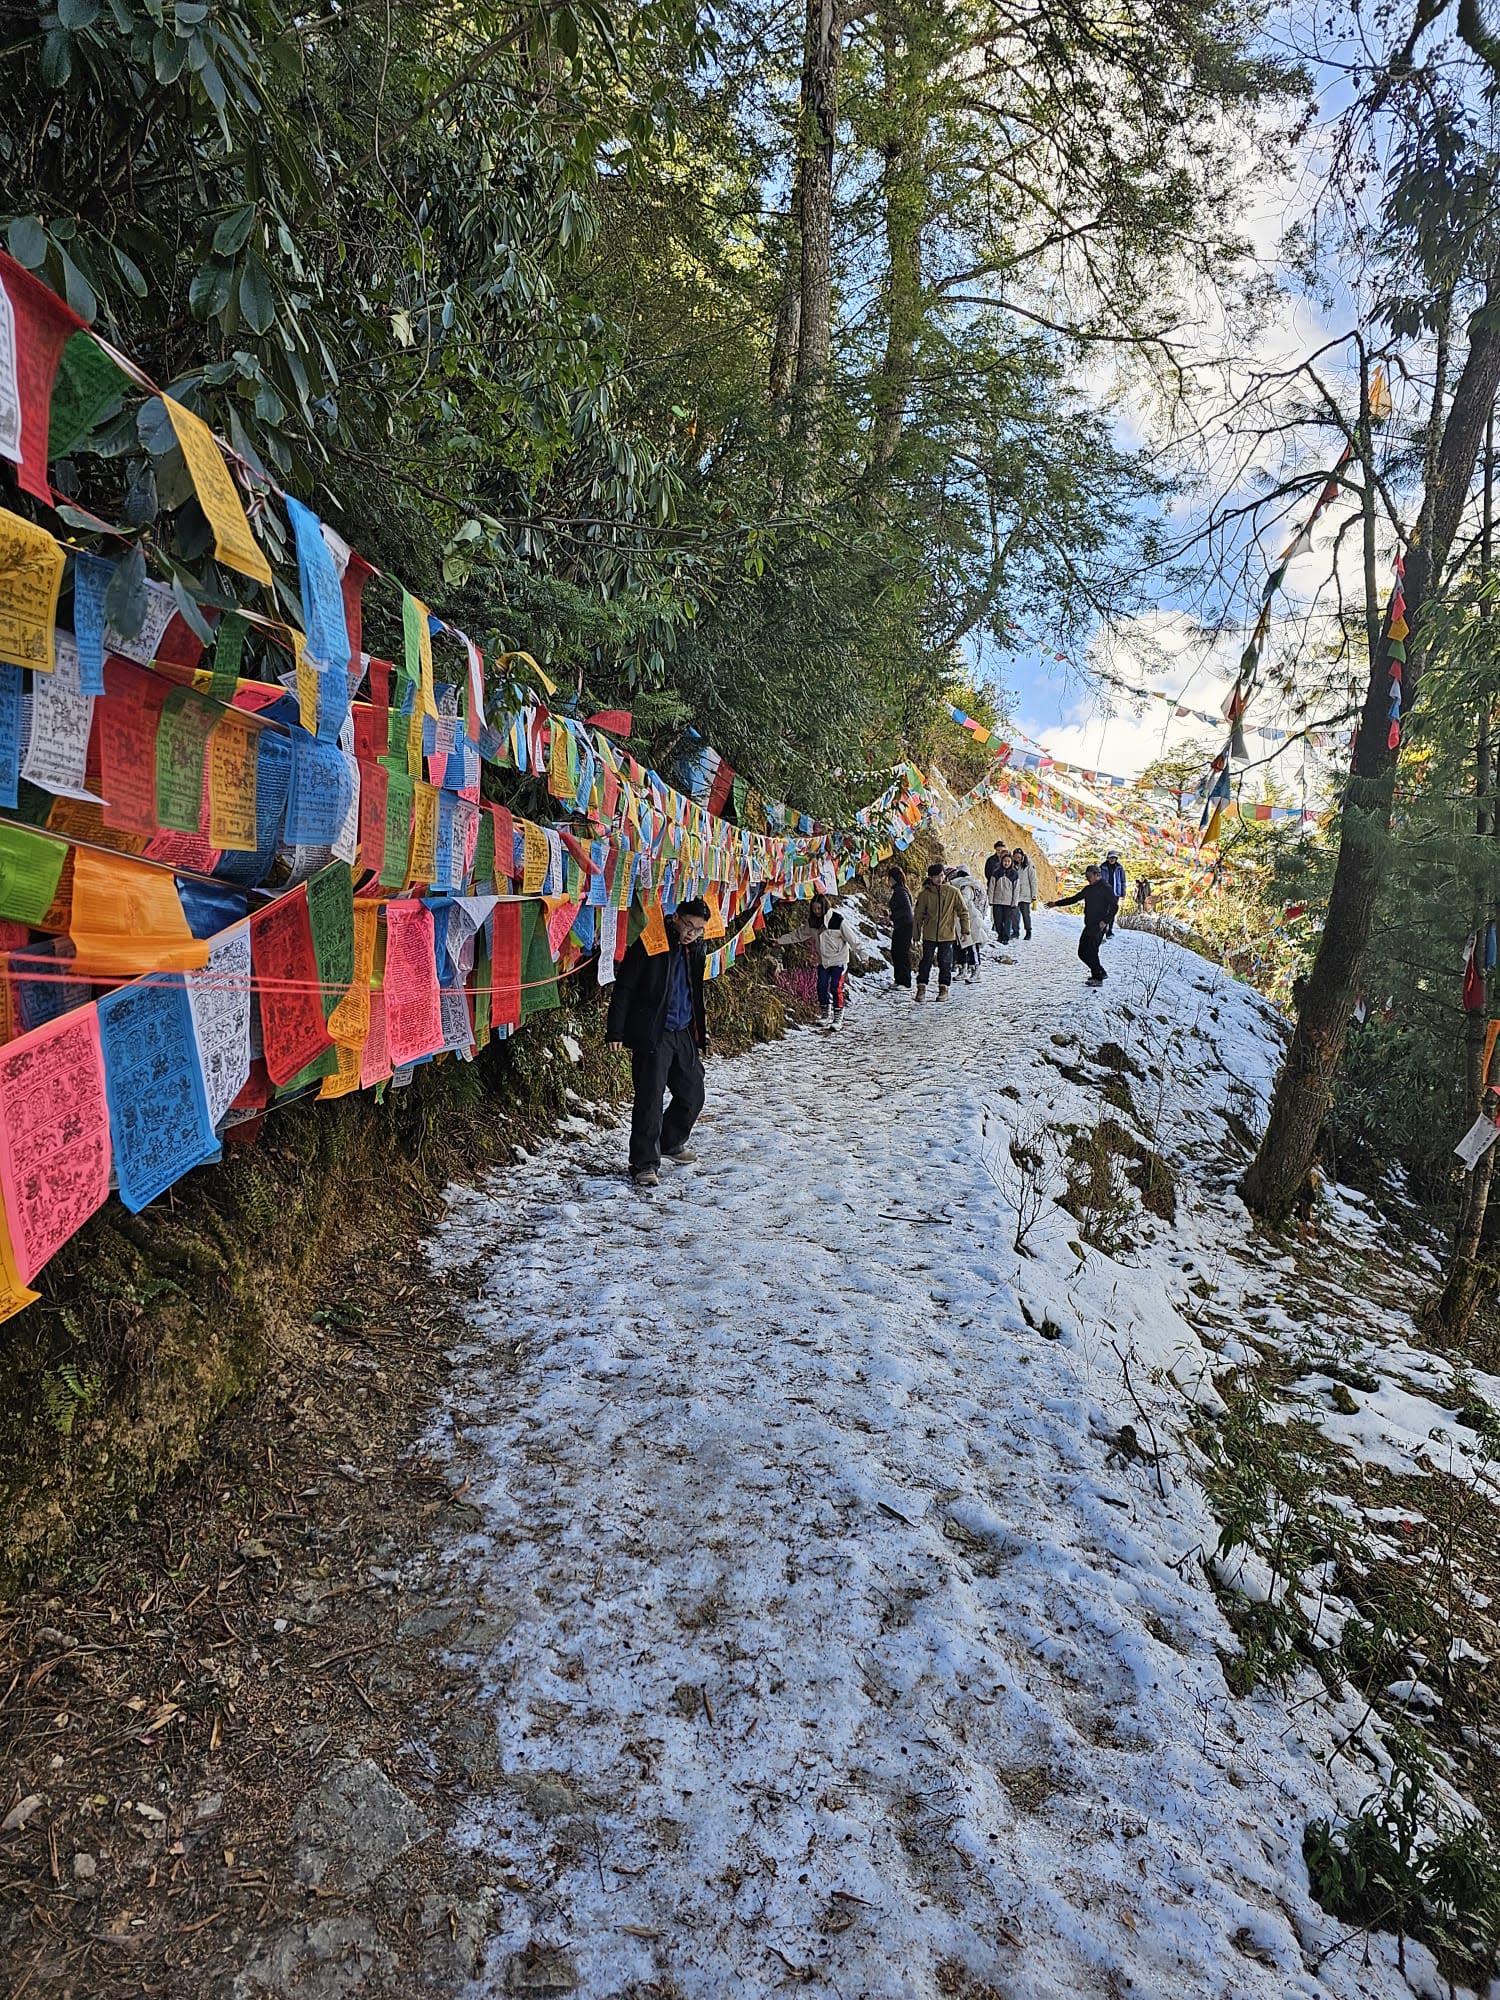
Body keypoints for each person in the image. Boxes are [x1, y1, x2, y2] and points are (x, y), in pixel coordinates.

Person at [606, 897, 711, 1188]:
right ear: (676, 917)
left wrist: (700, 1032)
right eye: (688, 925)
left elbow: (695, 991)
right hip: (653, 1032)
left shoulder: (696, 949)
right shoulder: (650, 942)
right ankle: (644, 1163)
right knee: (649, 1100)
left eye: (698, 929)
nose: (691, 933)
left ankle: (670, 1141)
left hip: (683, 1032)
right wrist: (615, 1030)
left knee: (693, 1093)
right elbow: (625, 986)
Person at [1049, 866, 1118, 985]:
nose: (1087, 878)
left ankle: (1098, 978)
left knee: (1091, 951)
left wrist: (1105, 921)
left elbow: (1115, 906)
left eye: (1089, 876)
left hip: (1099, 925)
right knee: (1082, 952)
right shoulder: (1088, 889)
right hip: (1089, 924)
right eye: (1086, 876)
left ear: (1097, 875)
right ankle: (1100, 971)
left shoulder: (1106, 888)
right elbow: (1074, 899)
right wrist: (1056, 903)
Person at [912, 861, 970, 1002]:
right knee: (926, 961)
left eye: (941, 875)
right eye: (936, 876)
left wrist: (965, 930)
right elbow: (918, 915)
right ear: (930, 878)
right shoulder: (925, 894)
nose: (939, 878)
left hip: (947, 933)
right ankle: (921, 988)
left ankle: (943, 988)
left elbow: (963, 911)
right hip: (929, 934)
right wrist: (916, 934)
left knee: (945, 962)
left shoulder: (953, 892)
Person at [816, 912, 852, 1029]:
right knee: (821, 986)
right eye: (814, 908)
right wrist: (779, 941)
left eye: (819, 908)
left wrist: (863, 954)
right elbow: (798, 934)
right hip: (824, 961)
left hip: (839, 961)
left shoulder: (838, 921)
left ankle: (838, 1018)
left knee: (836, 987)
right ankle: (825, 1014)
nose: (817, 911)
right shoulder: (813, 922)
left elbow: (852, 938)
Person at [986, 846, 1019, 942]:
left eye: (1009, 861)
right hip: (997, 901)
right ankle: (1000, 935)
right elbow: (991, 887)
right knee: (997, 921)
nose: (1006, 863)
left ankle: (1005, 937)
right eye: (1005, 861)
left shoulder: (1014, 874)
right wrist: (990, 900)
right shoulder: (996, 873)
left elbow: (1016, 890)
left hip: (1008, 902)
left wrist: (1014, 902)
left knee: (1007, 921)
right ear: (1002, 862)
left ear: (1011, 862)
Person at [888, 865, 914, 988]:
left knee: (901, 953)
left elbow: (906, 911)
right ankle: (899, 979)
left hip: (905, 926)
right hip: (901, 925)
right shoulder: (901, 890)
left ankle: (904, 980)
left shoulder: (900, 891)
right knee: (896, 952)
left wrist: (892, 917)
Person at [984, 842, 1010, 940]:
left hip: (1007, 890)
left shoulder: (1008, 860)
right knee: (995, 910)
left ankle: (1006, 932)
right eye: (998, 850)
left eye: (1001, 850)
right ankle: (995, 924)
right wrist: (993, 880)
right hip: (993, 887)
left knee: (1007, 914)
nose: (1000, 852)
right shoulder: (991, 860)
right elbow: (987, 872)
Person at [1012, 847, 1039, 941]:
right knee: (1014, 915)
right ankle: (1015, 932)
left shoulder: (1029, 865)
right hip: (1015, 895)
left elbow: (1033, 881)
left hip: (1026, 894)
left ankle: (1028, 932)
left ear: (1022, 856)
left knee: (1026, 915)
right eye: (1015, 857)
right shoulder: (1013, 866)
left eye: (1019, 857)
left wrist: (1034, 895)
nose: (1017, 859)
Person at [1100, 852, 1126, 937]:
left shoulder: (1119, 868)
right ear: (1107, 858)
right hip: (1104, 893)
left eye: (1114, 858)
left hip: (1115, 893)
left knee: (1112, 912)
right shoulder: (1102, 867)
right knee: (1103, 911)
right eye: (1110, 858)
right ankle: (1102, 930)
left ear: (1116, 859)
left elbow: (1123, 881)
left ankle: (1109, 931)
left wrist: (1122, 893)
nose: (1112, 860)